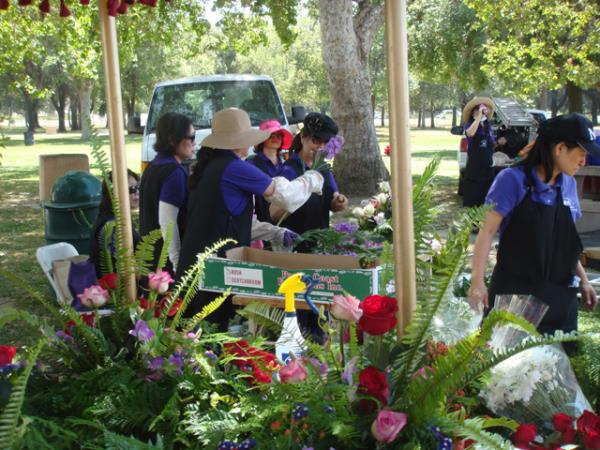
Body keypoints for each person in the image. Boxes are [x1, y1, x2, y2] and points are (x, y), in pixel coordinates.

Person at [177, 107, 324, 329]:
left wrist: (276, 232)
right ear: (237, 142)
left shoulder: (210, 166)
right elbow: (286, 197)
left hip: (198, 266)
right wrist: (312, 179)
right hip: (214, 270)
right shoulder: (235, 168)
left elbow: (232, 220)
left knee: (200, 337)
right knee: (210, 335)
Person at [468, 113, 599, 347]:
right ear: (560, 148)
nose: (583, 161)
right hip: (515, 301)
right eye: (581, 154)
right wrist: (477, 282)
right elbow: (486, 232)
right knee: (506, 373)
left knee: (558, 377)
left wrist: (584, 280)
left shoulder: (568, 185)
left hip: (560, 304)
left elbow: (565, 243)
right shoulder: (512, 180)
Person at [278, 112, 348, 251]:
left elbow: (333, 201)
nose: (321, 146)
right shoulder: (289, 170)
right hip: (295, 243)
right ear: (303, 137)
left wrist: (339, 201)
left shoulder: (324, 168)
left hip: (319, 242)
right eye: (316, 141)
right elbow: (275, 212)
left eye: (326, 142)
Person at [139, 112, 194, 274]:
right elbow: (167, 223)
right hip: (164, 265)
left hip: (151, 256)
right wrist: (177, 264)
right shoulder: (173, 173)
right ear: (172, 140)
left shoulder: (153, 167)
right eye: (190, 137)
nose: (194, 142)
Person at [89, 170, 141, 277]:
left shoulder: (115, 218)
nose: (137, 192)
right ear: (113, 194)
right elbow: (124, 266)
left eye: (138, 187)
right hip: (115, 290)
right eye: (131, 189)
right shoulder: (112, 226)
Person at [248, 119, 293, 224]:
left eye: (279, 136)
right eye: (271, 135)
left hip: (284, 222)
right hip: (260, 222)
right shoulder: (251, 163)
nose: (276, 138)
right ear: (262, 139)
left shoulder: (287, 165)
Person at [462, 97, 496, 207]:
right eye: (476, 109)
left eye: (481, 109)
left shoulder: (487, 127)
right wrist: (478, 118)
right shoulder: (470, 125)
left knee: (485, 203)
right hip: (474, 171)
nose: (480, 112)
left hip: (487, 171)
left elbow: (491, 144)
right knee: (473, 203)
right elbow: (470, 133)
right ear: (472, 113)